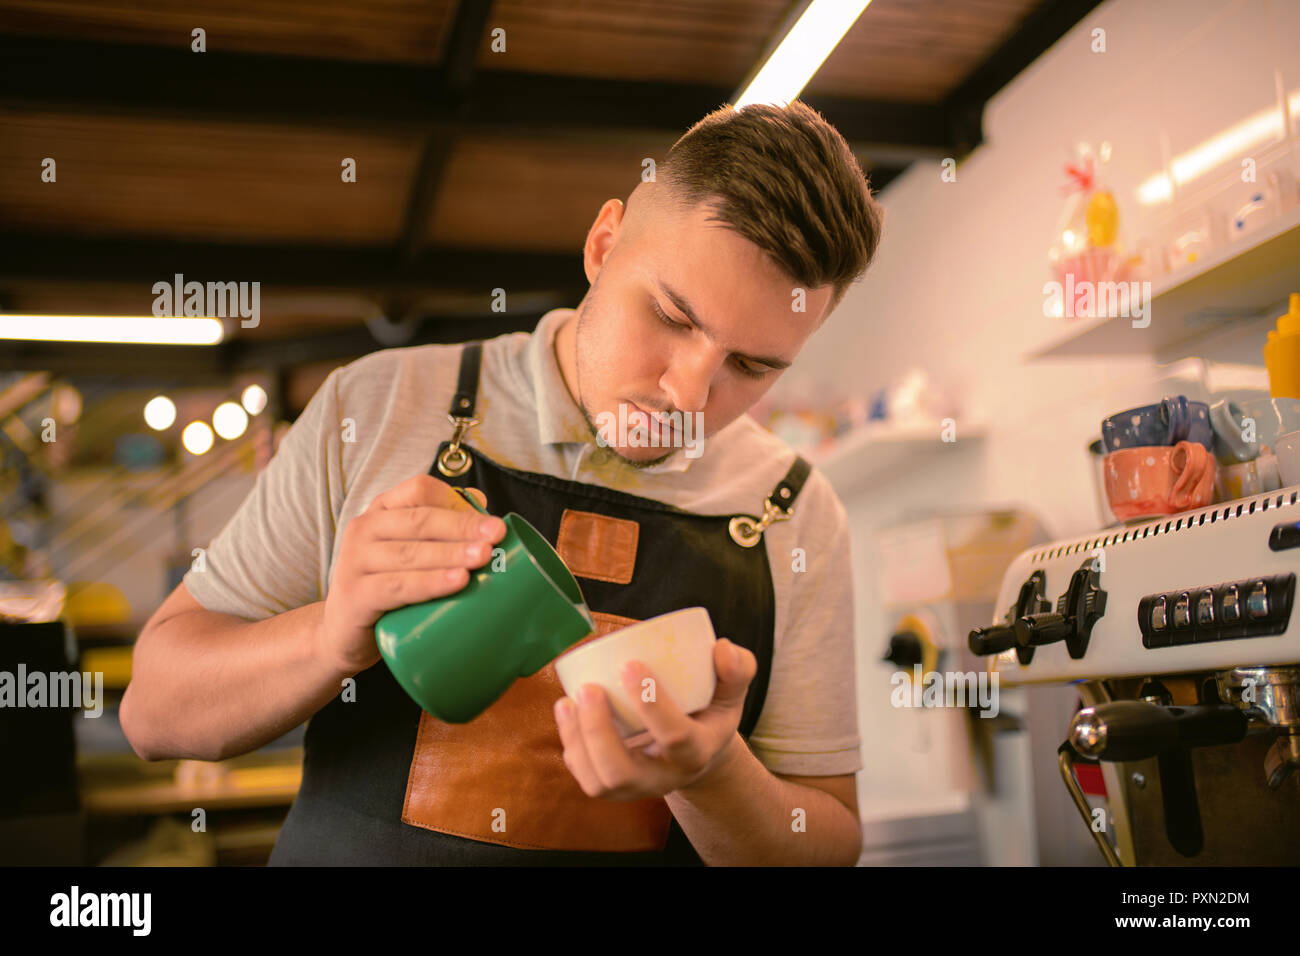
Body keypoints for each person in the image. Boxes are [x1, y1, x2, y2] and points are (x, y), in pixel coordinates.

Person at [121, 100, 884, 865]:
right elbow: (155, 714)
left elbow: (828, 845)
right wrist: (329, 638)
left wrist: (715, 777)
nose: (686, 397)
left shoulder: (794, 511)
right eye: (671, 316)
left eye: (750, 366)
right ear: (603, 244)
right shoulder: (379, 406)